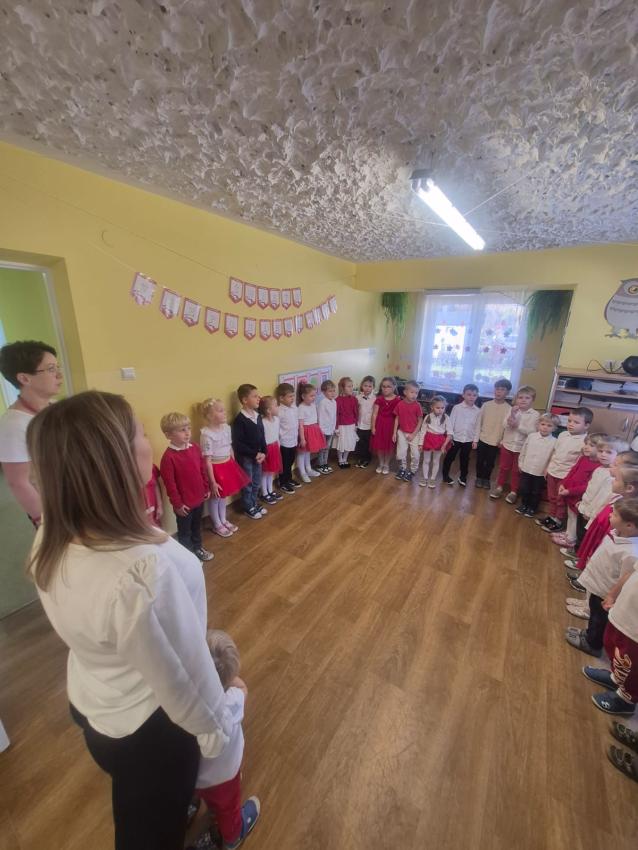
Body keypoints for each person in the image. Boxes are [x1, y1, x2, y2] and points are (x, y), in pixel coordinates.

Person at [26, 391, 237, 850]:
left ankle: (180, 802)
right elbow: (182, 673)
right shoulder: (141, 571)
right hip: (152, 730)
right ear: (117, 459)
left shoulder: (51, 535)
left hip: (94, 700)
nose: (149, 442)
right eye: (141, 433)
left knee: (154, 805)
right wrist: (219, 729)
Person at [192, 631, 260, 850]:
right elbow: (243, 687)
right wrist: (228, 679)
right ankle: (232, 837)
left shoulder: (183, 702)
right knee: (227, 809)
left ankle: (190, 807)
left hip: (192, 776)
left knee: (192, 793)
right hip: (224, 777)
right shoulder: (232, 701)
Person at [0, 340, 62, 524]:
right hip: (52, 509)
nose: (59, 374)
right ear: (24, 378)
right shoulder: (13, 425)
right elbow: (18, 483)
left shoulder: (56, 407)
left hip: (74, 496)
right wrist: (44, 521)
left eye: (57, 367)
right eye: (51, 369)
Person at [566, 499, 638, 658]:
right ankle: (588, 633)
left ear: (629, 526)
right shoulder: (616, 533)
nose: (610, 515)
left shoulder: (632, 552)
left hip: (605, 591)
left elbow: (625, 579)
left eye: (615, 515)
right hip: (598, 584)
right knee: (594, 613)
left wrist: (612, 596)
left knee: (599, 618)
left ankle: (592, 643)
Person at [582, 530, 638, 716]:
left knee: (632, 662)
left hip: (635, 626)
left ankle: (625, 699)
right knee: (616, 647)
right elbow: (633, 571)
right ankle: (616, 678)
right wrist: (613, 593)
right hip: (625, 609)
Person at [554, 436, 625, 550]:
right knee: (580, 531)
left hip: (592, 513)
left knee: (584, 535)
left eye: (608, 452)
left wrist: (591, 512)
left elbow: (602, 499)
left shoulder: (611, 477)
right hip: (585, 508)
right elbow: (590, 490)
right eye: (600, 451)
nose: (603, 455)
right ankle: (574, 547)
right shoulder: (599, 469)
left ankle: (577, 553)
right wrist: (583, 503)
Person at [159, 412, 213, 562]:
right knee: (185, 532)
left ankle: (198, 548)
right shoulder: (168, 458)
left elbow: (202, 469)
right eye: (182, 430)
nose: (187, 432)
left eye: (188, 428)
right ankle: (188, 558)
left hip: (199, 498)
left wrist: (206, 488)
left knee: (197, 527)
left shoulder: (194, 447)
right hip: (184, 505)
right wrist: (177, 504)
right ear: (168, 435)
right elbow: (170, 484)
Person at [535, 407, 593, 532]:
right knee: (552, 497)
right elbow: (555, 452)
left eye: (576, 422)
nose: (571, 424)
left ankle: (559, 520)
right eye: (569, 421)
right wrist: (547, 467)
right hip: (553, 471)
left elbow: (580, 464)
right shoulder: (562, 435)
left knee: (560, 500)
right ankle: (551, 516)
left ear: (586, 425)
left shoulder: (585, 442)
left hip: (565, 476)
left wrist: (570, 480)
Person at [200, 398, 249, 538]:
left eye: (224, 410)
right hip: (215, 469)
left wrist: (233, 465)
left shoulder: (226, 428)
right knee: (216, 497)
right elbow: (207, 460)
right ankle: (216, 524)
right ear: (210, 416)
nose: (225, 412)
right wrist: (212, 482)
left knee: (224, 496)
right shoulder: (206, 434)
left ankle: (223, 519)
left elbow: (229, 447)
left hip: (228, 465)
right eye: (220, 411)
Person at [549, 434, 603, 547]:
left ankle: (571, 539)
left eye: (591, 445)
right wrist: (563, 484)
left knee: (574, 517)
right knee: (570, 515)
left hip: (578, 496)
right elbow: (572, 471)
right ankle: (568, 534)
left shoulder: (598, 467)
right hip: (570, 493)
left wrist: (570, 491)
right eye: (586, 444)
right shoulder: (583, 458)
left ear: (600, 450)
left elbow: (587, 486)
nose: (586, 447)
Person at [490, 385, 539, 503]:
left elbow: (532, 432)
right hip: (507, 445)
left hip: (521, 448)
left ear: (532, 400)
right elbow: (504, 425)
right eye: (520, 397)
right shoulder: (512, 410)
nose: (523, 400)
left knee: (516, 471)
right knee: (503, 468)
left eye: (527, 398)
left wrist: (518, 426)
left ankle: (514, 491)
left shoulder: (535, 415)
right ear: (516, 399)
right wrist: (512, 415)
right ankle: (499, 487)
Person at [231, 384, 267, 520]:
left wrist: (264, 452)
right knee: (248, 483)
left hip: (258, 456)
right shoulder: (239, 420)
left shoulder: (257, 416)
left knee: (256, 481)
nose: (259, 398)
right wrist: (254, 454)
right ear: (245, 400)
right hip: (246, 458)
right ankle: (248, 506)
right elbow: (238, 444)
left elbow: (262, 436)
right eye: (255, 396)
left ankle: (254, 502)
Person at [514, 413, 559, 516]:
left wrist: (548, 469)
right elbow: (524, 450)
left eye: (549, 425)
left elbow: (553, 458)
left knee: (536, 492)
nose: (545, 427)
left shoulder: (555, 442)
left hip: (540, 472)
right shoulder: (531, 436)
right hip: (526, 469)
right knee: (524, 488)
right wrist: (521, 464)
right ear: (538, 425)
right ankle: (524, 505)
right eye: (543, 424)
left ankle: (532, 508)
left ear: (554, 428)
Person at [474, 378, 511, 489]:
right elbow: (479, 422)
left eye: (502, 389)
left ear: (507, 392)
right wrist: (476, 438)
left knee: (490, 462)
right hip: (483, 438)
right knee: (480, 460)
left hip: (495, 441)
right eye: (497, 389)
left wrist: (502, 440)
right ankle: (478, 477)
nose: (499, 392)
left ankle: (486, 479)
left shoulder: (509, 409)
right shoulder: (486, 405)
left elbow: (508, 428)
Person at [442, 383, 481, 487]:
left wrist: (475, 440)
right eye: (469, 394)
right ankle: (445, 475)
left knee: (465, 459)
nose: (471, 397)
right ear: (463, 395)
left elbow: (477, 427)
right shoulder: (457, 408)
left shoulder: (478, 411)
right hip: (455, 438)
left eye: (474, 395)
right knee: (450, 457)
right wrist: (450, 436)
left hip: (468, 439)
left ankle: (463, 477)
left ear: (477, 396)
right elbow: (451, 423)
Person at [393, 380, 423, 482]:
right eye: (412, 392)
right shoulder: (400, 404)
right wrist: (394, 432)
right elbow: (397, 418)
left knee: (416, 454)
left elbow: (420, 420)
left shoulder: (417, 405)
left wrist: (414, 434)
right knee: (401, 452)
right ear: (405, 392)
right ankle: (402, 468)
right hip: (402, 432)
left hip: (414, 433)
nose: (414, 395)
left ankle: (413, 470)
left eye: (416, 393)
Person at [370, 377, 401, 474]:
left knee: (389, 446)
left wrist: (395, 431)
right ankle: (381, 463)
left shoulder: (398, 400)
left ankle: (386, 464)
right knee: (379, 445)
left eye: (388, 387)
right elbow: (374, 414)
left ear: (394, 387)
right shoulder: (379, 399)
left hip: (391, 426)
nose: (385, 389)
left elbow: (398, 416)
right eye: (383, 386)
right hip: (380, 425)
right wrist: (373, 427)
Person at [296, 382, 326, 482]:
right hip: (305, 432)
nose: (314, 398)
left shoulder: (313, 405)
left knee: (308, 451)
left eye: (314, 395)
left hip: (313, 430)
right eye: (311, 396)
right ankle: (302, 472)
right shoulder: (301, 407)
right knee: (302, 453)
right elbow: (300, 425)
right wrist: (302, 438)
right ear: (303, 396)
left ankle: (308, 469)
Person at [419, 395, 451, 488]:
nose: (440, 410)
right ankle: (425, 477)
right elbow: (423, 431)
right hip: (428, 440)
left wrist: (444, 445)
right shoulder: (428, 417)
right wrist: (420, 443)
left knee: (436, 461)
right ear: (432, 407)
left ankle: (432, 479)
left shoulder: (446, 418)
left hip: (440, 441)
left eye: (442, 408)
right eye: (438, 408)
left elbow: (450, 433)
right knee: (426, 460)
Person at [257, 395, 283, 504]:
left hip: (275, 447)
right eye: (276, 406)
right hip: (266, 450)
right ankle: (264, 493)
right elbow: (261, 438)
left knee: (271, 471)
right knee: (265, 472)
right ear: (268, 410)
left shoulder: (277, 420)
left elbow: (277, 434)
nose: (278, 407)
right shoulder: (263, 422)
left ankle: (270, 490)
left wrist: (278, 445)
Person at [275, 382, 300, 493]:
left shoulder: (294, 408)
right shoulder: (279, 411)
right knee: (284, 463)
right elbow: (276, 427)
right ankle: (283, 482)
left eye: (293, 396)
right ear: (281, 398)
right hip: (284, 442)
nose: (292, 398)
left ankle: (289, 478)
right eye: (290, 396)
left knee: (291, 461)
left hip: (293, 440)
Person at [334, 376, 359, 468]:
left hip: (351, 425)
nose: (351, 388)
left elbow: (356, 413)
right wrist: (336, 428)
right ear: (342, 388)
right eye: (349, 386)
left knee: (349, 442)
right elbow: (336, 415)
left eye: (352, 386)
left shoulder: (354, 399)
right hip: (341, 426)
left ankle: (345, 458)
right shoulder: (337, 400)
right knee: (341, 443)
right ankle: (340, 459)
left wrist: (356, 424)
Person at [316, 379, 337, 474]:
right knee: (322, 448)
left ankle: (325, 463)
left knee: (327, 448)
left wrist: (333, 428)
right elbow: (320, 417)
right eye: (330, 391)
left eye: (333, 391)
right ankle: (320, 464)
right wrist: (321, 430)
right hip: (323, 430)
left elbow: (334, 416)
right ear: (324, 392)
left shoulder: (334, 402)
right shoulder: (323, 402)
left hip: (330, 429)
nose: (332, 393)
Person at [355, 375, 376, 469]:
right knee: (360, 442)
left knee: (367, 443)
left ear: (373, 387)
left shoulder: (375, 399)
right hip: (360, 424)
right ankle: (361, 458)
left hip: (369, 425)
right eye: (365, 385)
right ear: (362, 386)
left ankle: (367, 458)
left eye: (370, 386)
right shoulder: (358, 397)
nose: (367, 388)